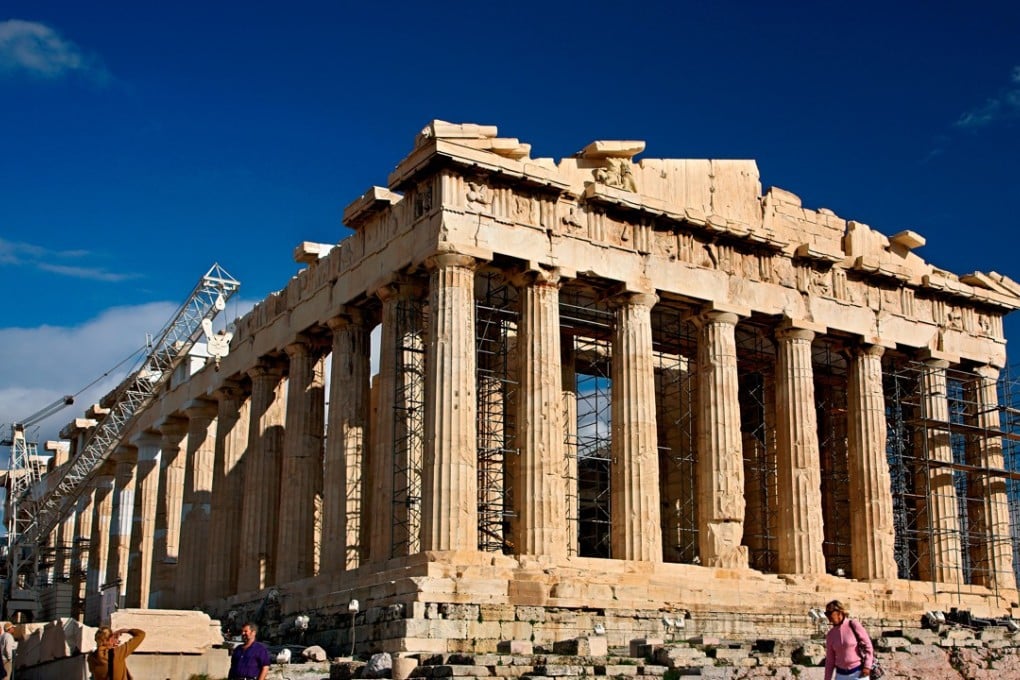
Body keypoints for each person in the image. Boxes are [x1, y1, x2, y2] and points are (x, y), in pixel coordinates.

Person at [823, 600, 875, 680]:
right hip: (841, 675)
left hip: (859, 673)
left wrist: (867, 666)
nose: (828, 617)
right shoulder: (831, 634)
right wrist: (827, 678)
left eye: (829, 613)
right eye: (826, 614)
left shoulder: (853, 625)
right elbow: (830, 659)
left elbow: (868, 646)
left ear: (839, 612)